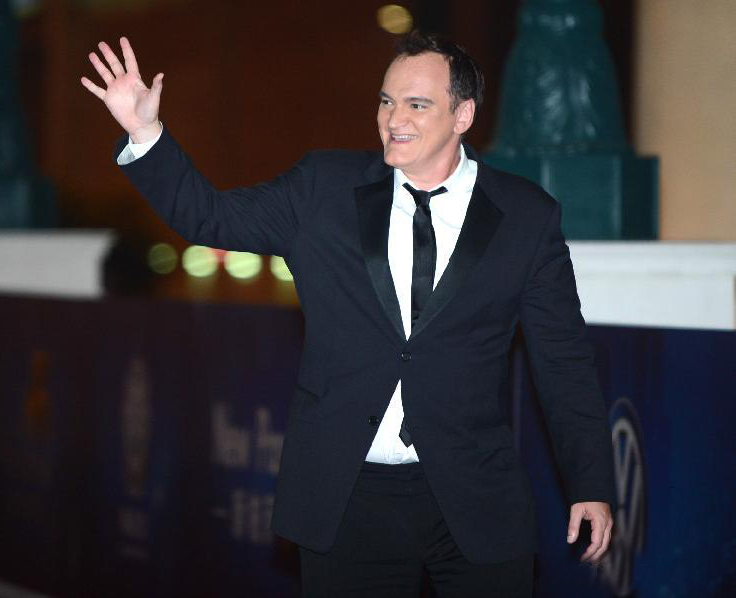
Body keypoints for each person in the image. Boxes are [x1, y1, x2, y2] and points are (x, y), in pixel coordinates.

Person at [81, 31, 615, 597]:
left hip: (475, 496)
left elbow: (563, 360)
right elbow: (208, 216)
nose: (393, 119)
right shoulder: (323, 189)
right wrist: (145, 132)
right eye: (386, 101)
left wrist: (591, 482)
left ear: (463, 115)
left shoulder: (525, 216)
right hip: (346, 498)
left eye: (416, 104)